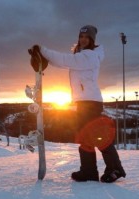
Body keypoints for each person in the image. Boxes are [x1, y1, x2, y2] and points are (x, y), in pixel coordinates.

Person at [31, 25, 126, 183]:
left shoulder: (89, 56)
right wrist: (44, 57)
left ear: (91, 40)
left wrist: (43, 50)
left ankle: (114, 168)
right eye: (81, 37)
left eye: (86, 37)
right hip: (84, 102)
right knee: (86, 137)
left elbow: (65, 60)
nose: (82, 40)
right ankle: (89, 171)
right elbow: (64, 63)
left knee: (98, 137)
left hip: (91, 102)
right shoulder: (81, 56)